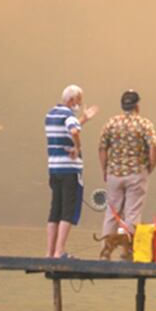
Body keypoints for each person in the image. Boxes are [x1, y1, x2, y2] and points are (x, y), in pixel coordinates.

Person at [98, 89, 156, 246]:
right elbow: (153, 147)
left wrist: (104, 169)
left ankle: (106, 250)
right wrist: (150, 166)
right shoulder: (144, 124)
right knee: (132, 213)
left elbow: (102, 147)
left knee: (112, 213)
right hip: (136, 173)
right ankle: (129, 252)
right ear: (137, 106)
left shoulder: (111, 123)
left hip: (114, 174)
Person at [44, 84, 98, 258]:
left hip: (54, 169)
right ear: (72, 99)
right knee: (68, 210)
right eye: (79, 100)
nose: (80, 104)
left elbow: (69, 128)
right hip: (69, 170)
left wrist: (84, 119)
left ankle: (49, 252)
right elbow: (73, 130)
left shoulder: (50, 114)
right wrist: (78, 147)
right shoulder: (68, 115)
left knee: (55, 210)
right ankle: (60, 251)